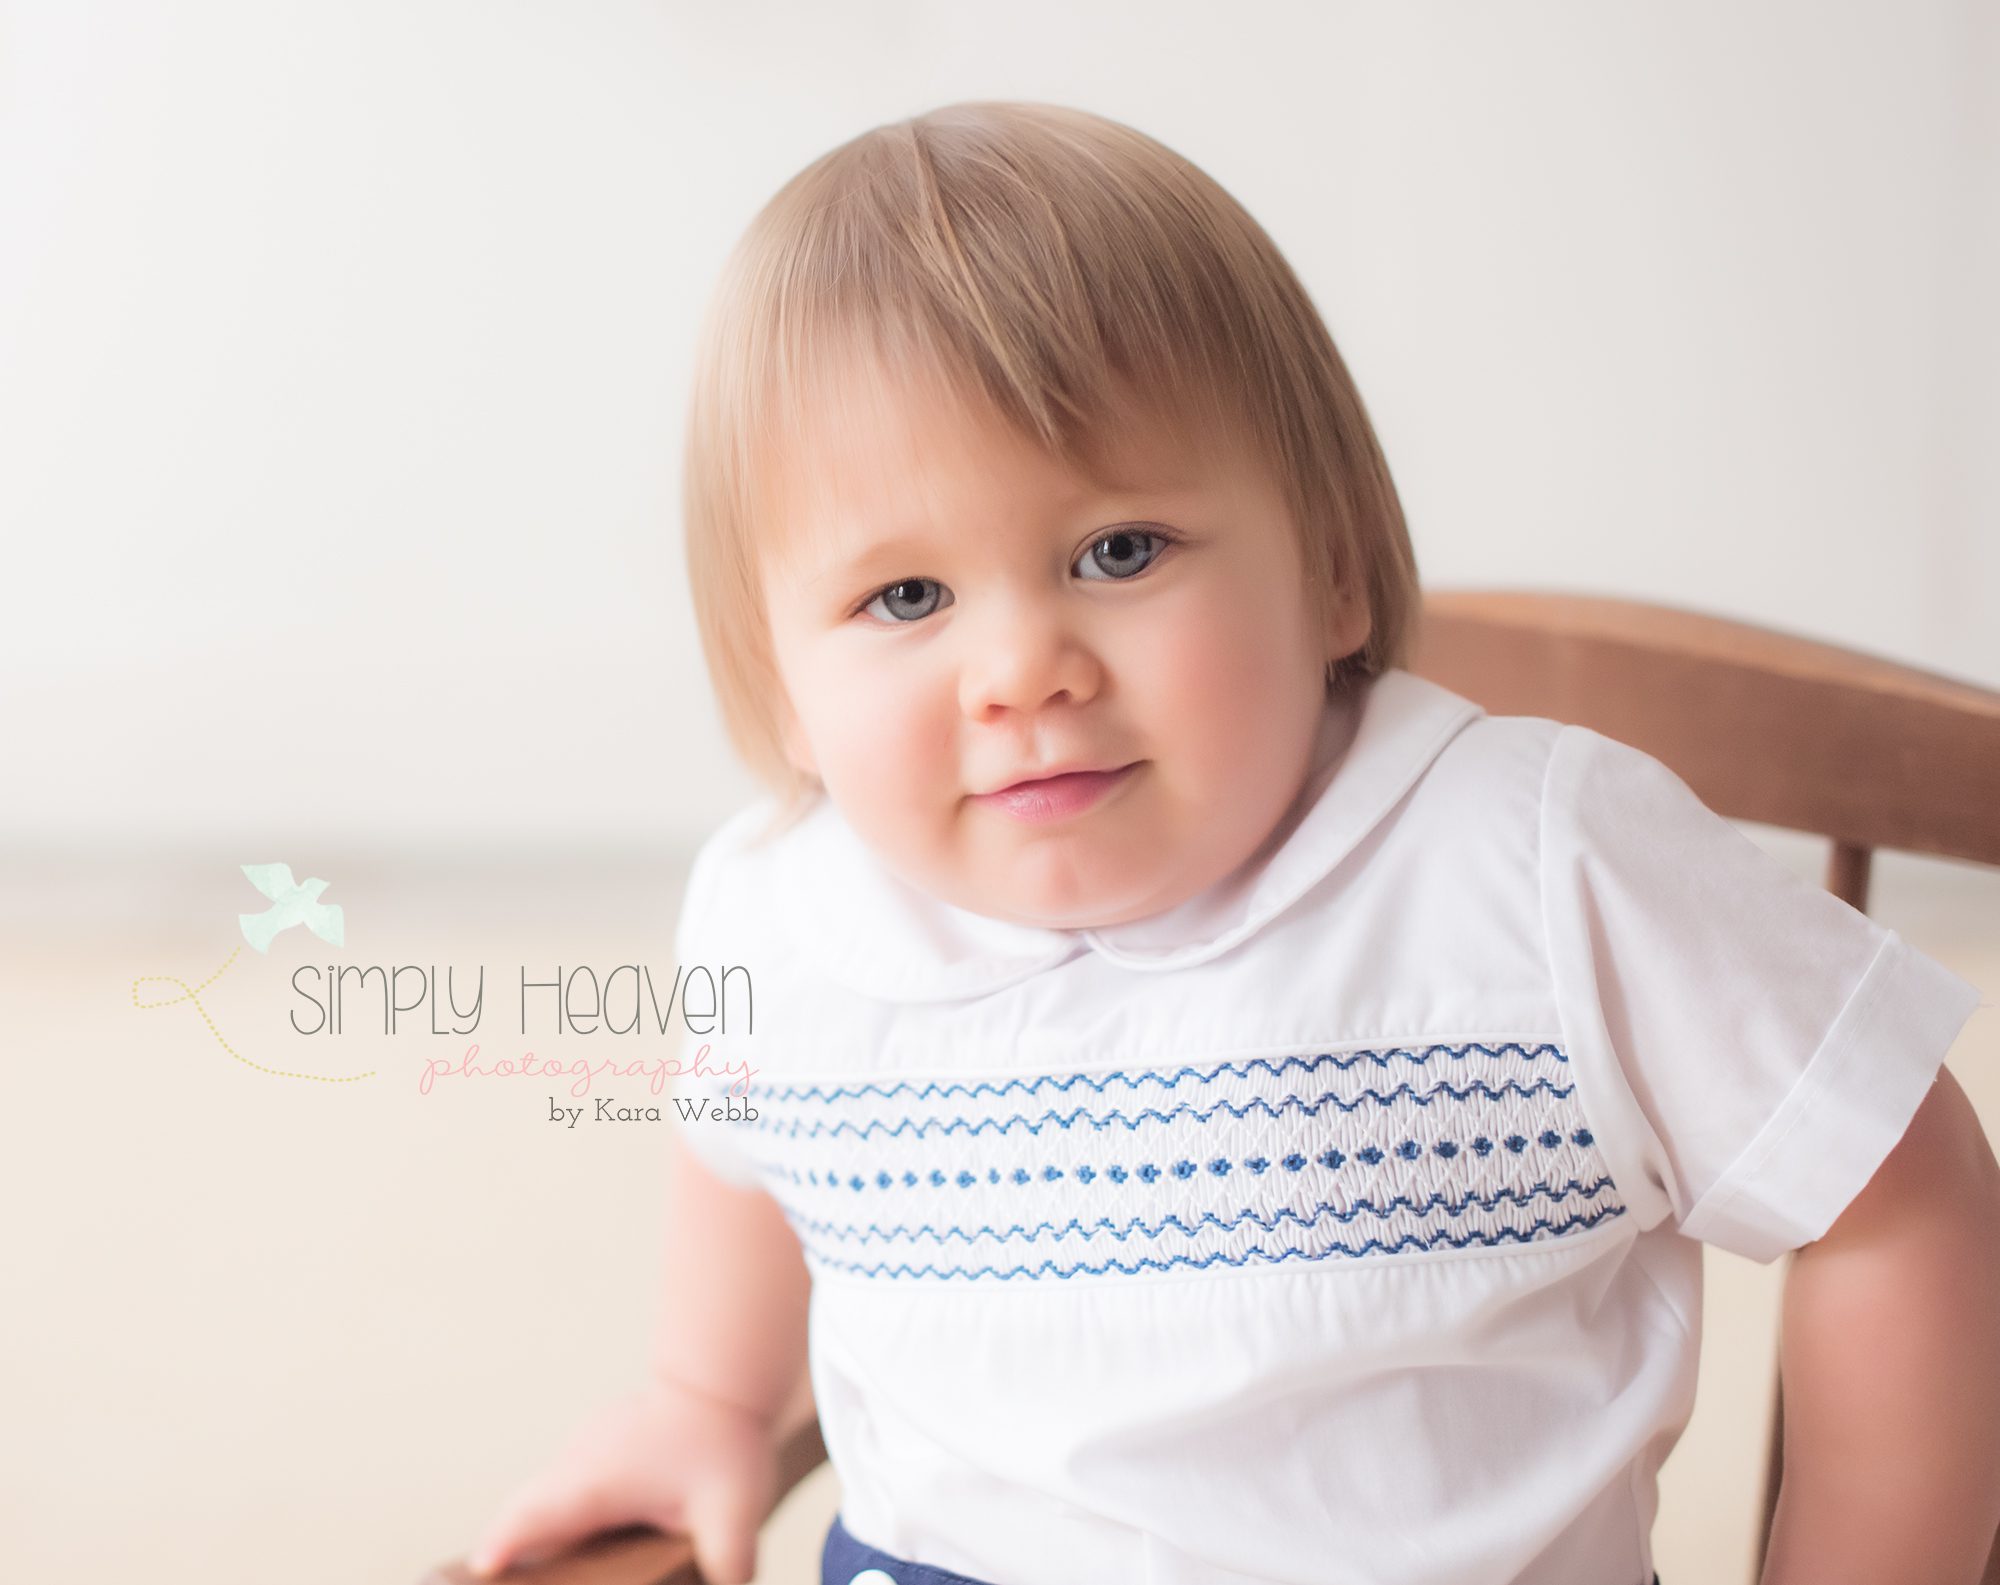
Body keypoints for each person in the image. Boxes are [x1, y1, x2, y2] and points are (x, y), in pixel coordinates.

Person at [468, 101, 1997, 1585]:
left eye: (1115, 551)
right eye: (906, 599)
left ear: (1333, 572)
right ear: (781, 684)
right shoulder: (787, 919)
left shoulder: (1526, 873)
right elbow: (746, 1142)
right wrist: (706, 1399)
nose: (1021, 671)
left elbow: (1895, 1181)